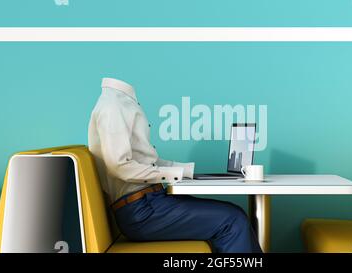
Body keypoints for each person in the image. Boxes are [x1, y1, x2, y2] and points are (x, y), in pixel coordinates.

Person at [88, 77, 262, 253]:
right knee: (233, 220)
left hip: (149, 203)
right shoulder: (113, 105)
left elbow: (147, 161)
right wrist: (171, 174)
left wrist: (185, 171)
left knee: (233, 215)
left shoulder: (119, 102)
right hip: (142, 211)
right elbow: (120, 166)